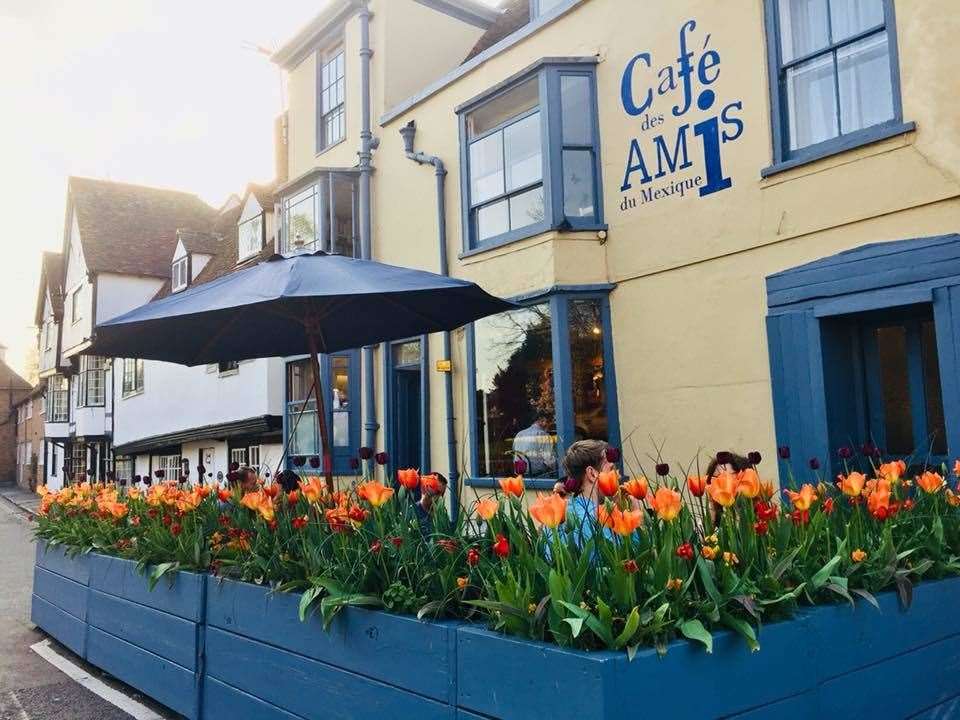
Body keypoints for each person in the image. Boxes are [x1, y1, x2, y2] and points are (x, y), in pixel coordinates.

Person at [512, 412, 558, 477]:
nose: (549, 425)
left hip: (520, 477)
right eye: (549, 422)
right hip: (538, 476)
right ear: (541, 420)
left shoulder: (519, 434)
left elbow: (514, 455)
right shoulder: (543, 435)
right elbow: (549, 460)